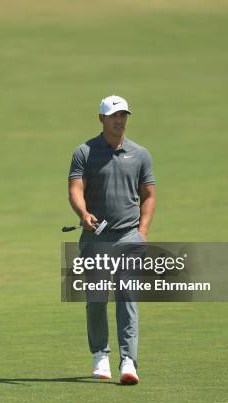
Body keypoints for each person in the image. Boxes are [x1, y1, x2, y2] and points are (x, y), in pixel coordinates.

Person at [67, 95, 156, 385]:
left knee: (127, 299)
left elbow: (149, 195)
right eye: (114, 115)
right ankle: (100, 355)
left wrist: (142, 231)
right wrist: (83, 213)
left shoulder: (140, 154)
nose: (120, 120)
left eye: (124, 115)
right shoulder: (85, 152)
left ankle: (128, 362)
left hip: (130, 236)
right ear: (102, 119)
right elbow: (76, 189)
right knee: (96, 299)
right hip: (96, 238)